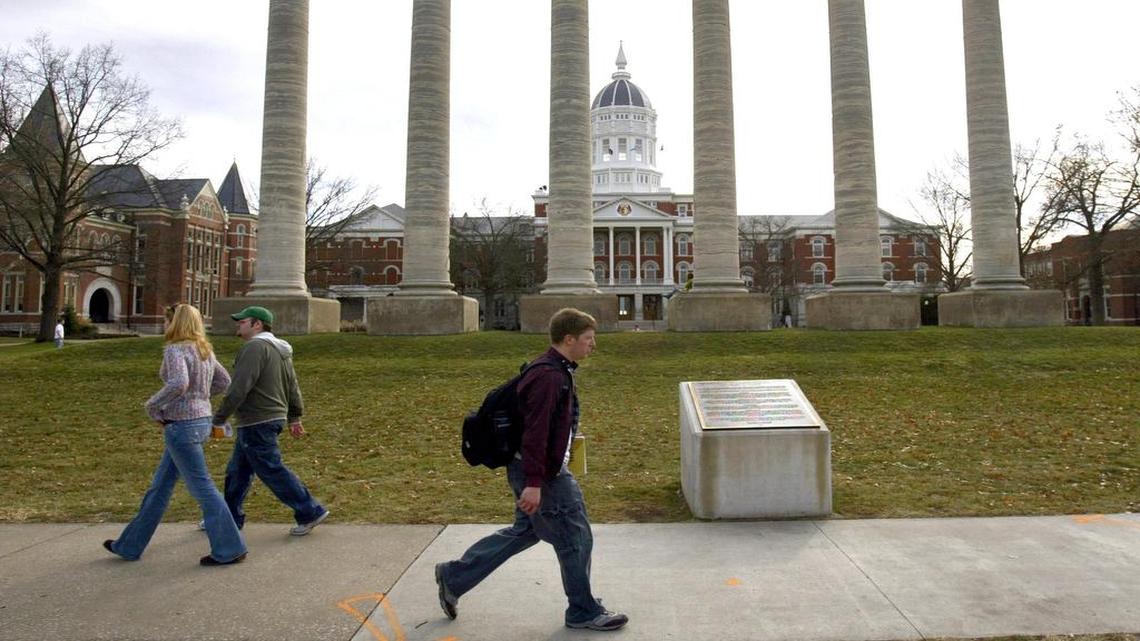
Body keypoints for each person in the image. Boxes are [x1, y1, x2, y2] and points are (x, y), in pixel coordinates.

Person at [434, 308, 628, 632]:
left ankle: (454, 576)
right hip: (542, 475)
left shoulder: (553, 369)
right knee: (574, 535)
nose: (593, 345)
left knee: (525, 532)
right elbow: (535, 433)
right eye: (588, 339)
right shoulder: (549, 376)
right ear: (569, 339)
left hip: (533, 470)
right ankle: (582, 610)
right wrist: (535, 483)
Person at [103, 304, 247, 566]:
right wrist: (201, 399)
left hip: (181, 426)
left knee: (202, 488)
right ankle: (129, 545)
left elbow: (178, 383)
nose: (165, 325)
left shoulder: (175, 348)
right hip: (200, 421)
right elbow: (223, 382)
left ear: (176, 323)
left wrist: (153, 405)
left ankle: (229, 547)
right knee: (159, 488)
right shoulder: (204, 349)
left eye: (167, 320)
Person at [211, 306, 329, 536]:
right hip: (268, 418)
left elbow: (238, 388)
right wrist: (294, 416)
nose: (238, 324)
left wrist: (219, 419)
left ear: (257, 325)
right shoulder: (280, 349)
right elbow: (292, 385)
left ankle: (309, 511)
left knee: (271, 469)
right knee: (237, 472)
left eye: (242, 321)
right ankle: (228, 518)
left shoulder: (255, 348)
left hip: (257, 420)